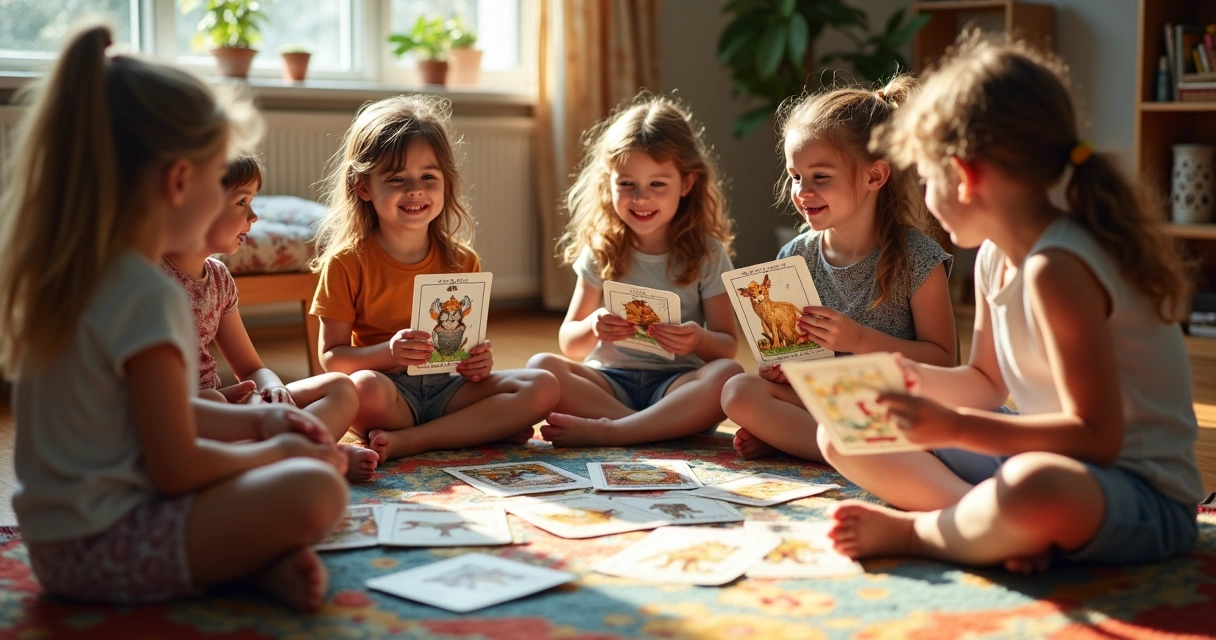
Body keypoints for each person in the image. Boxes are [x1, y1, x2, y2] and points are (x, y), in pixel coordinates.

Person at [824, 36, 1204, 572]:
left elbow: (1097, 438)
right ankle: (986, 525)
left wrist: (954, 429)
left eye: (927, 179)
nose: (926, 197)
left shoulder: (1059, 268)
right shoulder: (993, 257)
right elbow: (986, 382)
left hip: (1137, 494)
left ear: (965, 176)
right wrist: (910, 379)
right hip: (1046, 457)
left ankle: (924, 533)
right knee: (842, 431)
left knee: (1035, 485)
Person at [2, 24, 348, 611]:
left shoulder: (78, 276)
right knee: (315, 487)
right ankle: (243, 560)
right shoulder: (148, 295)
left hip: (58, 546)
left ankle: (252, 563)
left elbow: (155, 416)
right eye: (219, 182)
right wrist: (279, 452)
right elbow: (177, 466)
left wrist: (261, 423)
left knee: (281, 469)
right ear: (180, 182)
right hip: (108, 548)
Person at [310, 95, 559, 466]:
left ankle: (414, 441)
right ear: (364, 187)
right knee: (360, 388)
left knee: (543, 385)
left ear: (446, 183)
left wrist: (479, 362)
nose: (415, 190)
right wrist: (388, 354)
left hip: (451, 388)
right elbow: (332, 359)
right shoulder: (346, 262)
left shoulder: (462, 260)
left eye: (428, 177)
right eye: (396, 179)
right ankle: (473, 429)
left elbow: (466, 348)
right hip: (389, 393)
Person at [720, 77, 956, 462]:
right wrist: (782, 368)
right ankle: (846, 450)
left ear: (875, 176)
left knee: (924, 423)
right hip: (825, 400)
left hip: (892, 406)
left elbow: (945, 362)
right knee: (738, 392)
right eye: (796, 176)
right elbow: (795, 364)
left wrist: (859, 340)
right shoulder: (794, 257)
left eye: (820, 177)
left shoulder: (918, 258)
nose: (802, 191)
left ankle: (814, 444)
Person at [527, 95, 743, 446]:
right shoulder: (602, 248)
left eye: (657, 184)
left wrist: (698, 339)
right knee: (541, 366)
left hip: (676, 385)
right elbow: (570, 344)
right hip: (609, 384)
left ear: (686, 184)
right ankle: (650, 428)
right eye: (627, 184)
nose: (641, 198)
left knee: (728, 376)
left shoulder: (708, 253)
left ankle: (616, 431)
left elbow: (727, 347)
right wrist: (593, 326)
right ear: (608, 183)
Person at [162, 154, 374, 481]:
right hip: (184, 416)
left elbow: (250, 369)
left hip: (230, 412)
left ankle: (285, 455)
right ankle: (307, 454)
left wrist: (272, 389)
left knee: (341, 387)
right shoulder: (154, 279)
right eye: (241, 202)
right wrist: (223, 402)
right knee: (211, 397)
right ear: (197, 203)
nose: (254, 216)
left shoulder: (218, 278)